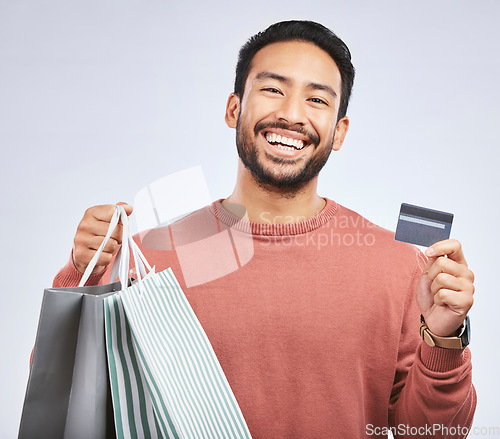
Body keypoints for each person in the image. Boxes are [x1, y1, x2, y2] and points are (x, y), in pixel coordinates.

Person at [53, 21, 476, 438]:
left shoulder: (400, 267)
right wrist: (81, 274)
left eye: (317, 100)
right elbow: (66, 405)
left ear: (339, 131)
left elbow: (431, 434)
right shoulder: (151, 259)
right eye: (273, 89)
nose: (292, 115)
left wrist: (443, 340)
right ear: (233, 109)